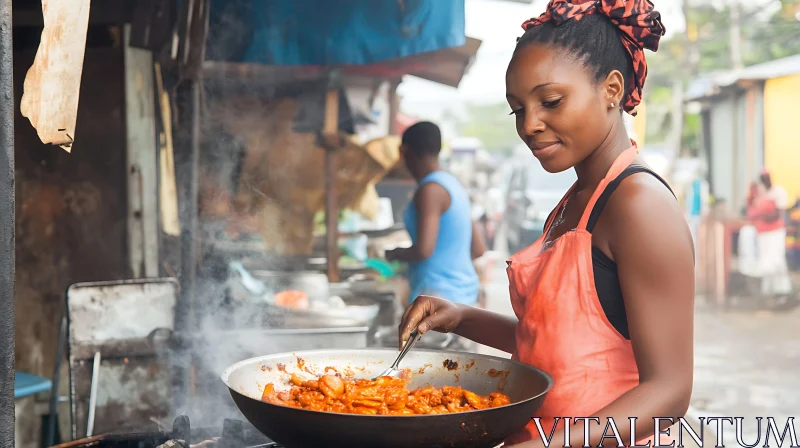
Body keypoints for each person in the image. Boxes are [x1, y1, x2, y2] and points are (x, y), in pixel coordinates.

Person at [399, 1, 695, 447]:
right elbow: (554, 343)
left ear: (612, 89)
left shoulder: (638, 205)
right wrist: (460, 317)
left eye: (550, 101)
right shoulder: (571, 204)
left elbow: (669, 393)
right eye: (517, 109)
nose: (530, 125)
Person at [385, 121, 486, 310]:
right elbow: (478, 249)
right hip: (464, 295)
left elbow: (424, 250)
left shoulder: (430, 190)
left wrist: (395, 253)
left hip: (438, 297)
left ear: (404, 151)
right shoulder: (454, 185)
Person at [747, 175, 792, 297]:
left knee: (776, 260)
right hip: (763, 234)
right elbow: (750, 212)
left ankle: (782, 290)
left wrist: (761, 216)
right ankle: (767, 290)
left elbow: (777, 214)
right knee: (765, 260)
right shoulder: (758, 197)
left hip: (775, 232)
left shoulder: (776, 194)